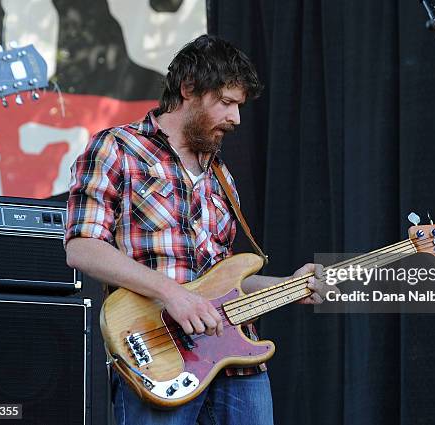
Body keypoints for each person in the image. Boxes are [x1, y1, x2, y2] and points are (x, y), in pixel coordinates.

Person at [64, 34, 329, 425]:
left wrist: (290, 284)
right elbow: (82, 247)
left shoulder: (220, 175)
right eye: (226, 103)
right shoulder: (117, 147)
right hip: (160, 360)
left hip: (238, 363)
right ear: (189, 88)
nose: (236, 118)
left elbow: (223, 282)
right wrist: (171, 293)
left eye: (239, 106)